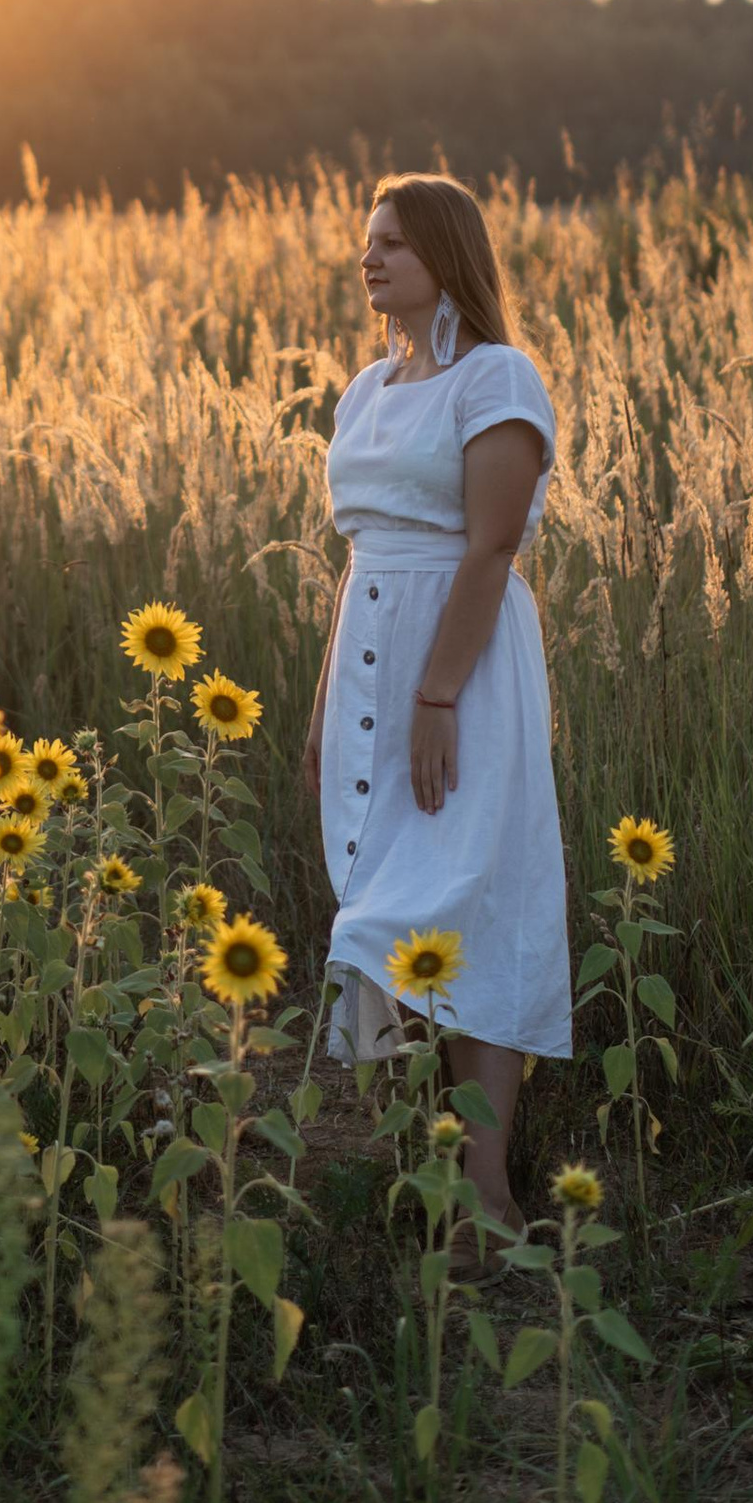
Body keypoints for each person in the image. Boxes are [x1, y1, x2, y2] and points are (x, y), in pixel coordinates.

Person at [304, 171, 570, 1227]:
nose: (370, 258)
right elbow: (357, 556)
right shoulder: (365, 389)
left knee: (468, 900)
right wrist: (329, 704)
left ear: (445, 259)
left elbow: (491, 546)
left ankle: (486, 1191)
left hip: (457, 668)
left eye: (395, 246)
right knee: (381, 907)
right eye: (366, 241)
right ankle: (425, 1162)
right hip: (372, 652)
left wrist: (436, 694)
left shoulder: (496, 379)